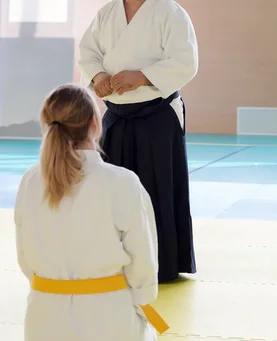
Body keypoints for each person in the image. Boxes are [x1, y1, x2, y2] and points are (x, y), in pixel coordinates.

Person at [15, 84, 168, 341]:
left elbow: (25, 256)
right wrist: (142, 299)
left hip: (45, 328)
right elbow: (143, 257)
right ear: (95, 124)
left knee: (60, 317)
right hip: (105, 323)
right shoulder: (121, 182)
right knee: (150, 335)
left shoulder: (30, 179)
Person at [78, 0, 198, 283]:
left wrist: (142, 77)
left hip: (157, 113)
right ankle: (111, 260)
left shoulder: (170, 12)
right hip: (117, 114)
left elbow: (185, 61)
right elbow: (88, 53)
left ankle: (163, 263)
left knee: (158, 188)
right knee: (112, 190)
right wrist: (99, 77)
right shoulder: (107, 14)